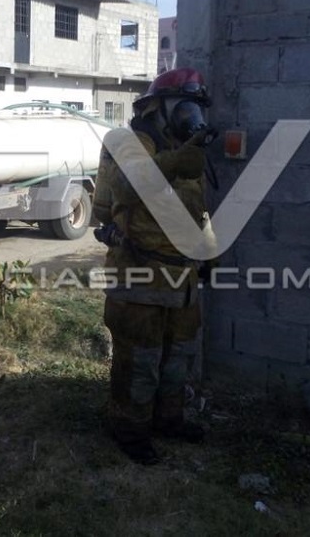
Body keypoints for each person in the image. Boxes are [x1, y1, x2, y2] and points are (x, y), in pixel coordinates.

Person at [94, 67, 217, 465]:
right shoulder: (128, 142)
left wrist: (210, 252)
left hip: (181, 278)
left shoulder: (186, 148)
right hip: (139, 273)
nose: (191, 115)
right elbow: (126, 188)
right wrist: (174, 162)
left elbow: (198, 210)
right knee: (140, 361)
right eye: (184, 105)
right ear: (158, 107)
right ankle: (129, 431)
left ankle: (168, 420)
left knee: (178, 357)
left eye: (196, 107)